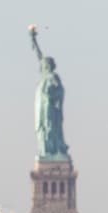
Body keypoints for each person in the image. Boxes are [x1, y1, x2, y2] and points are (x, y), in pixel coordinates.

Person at [29, 26, 69, 160]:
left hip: (49, 108)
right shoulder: (45, 76)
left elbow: (60, 91)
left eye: (46, 64)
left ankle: (52, 150)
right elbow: (39, 55)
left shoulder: (53, 77)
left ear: (50, 66)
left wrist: (51, 95)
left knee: (49, 128)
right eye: (43, 64)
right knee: (42, 129)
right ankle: (45, 151)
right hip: (41, 108)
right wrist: (33, 40)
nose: (43, 66)